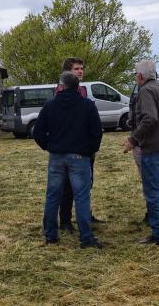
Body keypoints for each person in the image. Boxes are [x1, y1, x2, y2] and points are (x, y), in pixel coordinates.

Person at [34, 71, 103, 248]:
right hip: (80, 157)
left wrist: (49, 146)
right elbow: (96, 132)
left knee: (53, 196)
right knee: (81, 198)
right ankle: (86, 238)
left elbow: (38, 132)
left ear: (61, 86)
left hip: (57, 157)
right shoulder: (87, 105)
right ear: (78, 87)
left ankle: (50, 235)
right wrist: (90, 150)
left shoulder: (50, 105)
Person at [122, 59, 159, 246]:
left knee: (153, 194)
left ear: (140, 76)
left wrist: (133, 139)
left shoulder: (146, 91)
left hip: (154, 151)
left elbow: (150, 118)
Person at [55, 57, 101, 233]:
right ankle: (65, 221)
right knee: (67, 186)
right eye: (76, 69)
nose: (80, 71)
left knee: (86, 183)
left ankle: (86, 215)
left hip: (85, 147)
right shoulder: (60, 92)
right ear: (68, 72)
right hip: (69, 148)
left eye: (81, 68)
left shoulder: (82, 90)